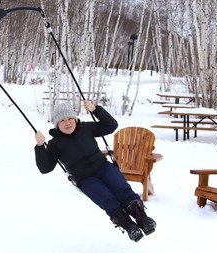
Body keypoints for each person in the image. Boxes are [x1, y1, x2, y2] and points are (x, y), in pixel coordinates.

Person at [34, 101, 156, 242]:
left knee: (123, 190)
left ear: (75, 119)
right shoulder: (55, 144)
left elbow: (111, 125)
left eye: (69, 118)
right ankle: (129, 227)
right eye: (62, 120)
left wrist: (95, 110)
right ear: (56, 124)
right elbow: (45, 168)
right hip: (86, 180)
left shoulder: (86, 128)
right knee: (107, 200)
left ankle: (143, 219)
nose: (67, 123)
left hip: (104, 168)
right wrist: (39, 146)